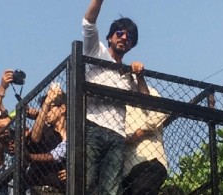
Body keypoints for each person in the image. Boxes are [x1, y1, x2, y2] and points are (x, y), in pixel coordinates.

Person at [83, 0, 149, 194]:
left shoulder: (128, 73)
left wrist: (140, 76)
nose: (124, 38)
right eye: (120, 33)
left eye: (129, 37)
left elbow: (146, 101)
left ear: (131, 45)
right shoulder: (97, 51)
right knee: (85, 183)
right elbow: (88, 22)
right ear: (110, 36)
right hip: (93, 126)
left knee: (111, 190)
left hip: (118, 134)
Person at [122, 86, 169, 195]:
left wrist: (140, 132)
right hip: (126, 168)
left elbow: (161, 111)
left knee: (144, 190)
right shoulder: (117, 92)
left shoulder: (146, 90)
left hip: (148, 159)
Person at [25, 84, 67, 194]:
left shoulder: (74, 134)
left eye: (50, 108)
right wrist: (47, 102)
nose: (46, 112)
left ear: (62, 109)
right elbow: (34, 137)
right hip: (39, 188)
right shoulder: (45, 131)